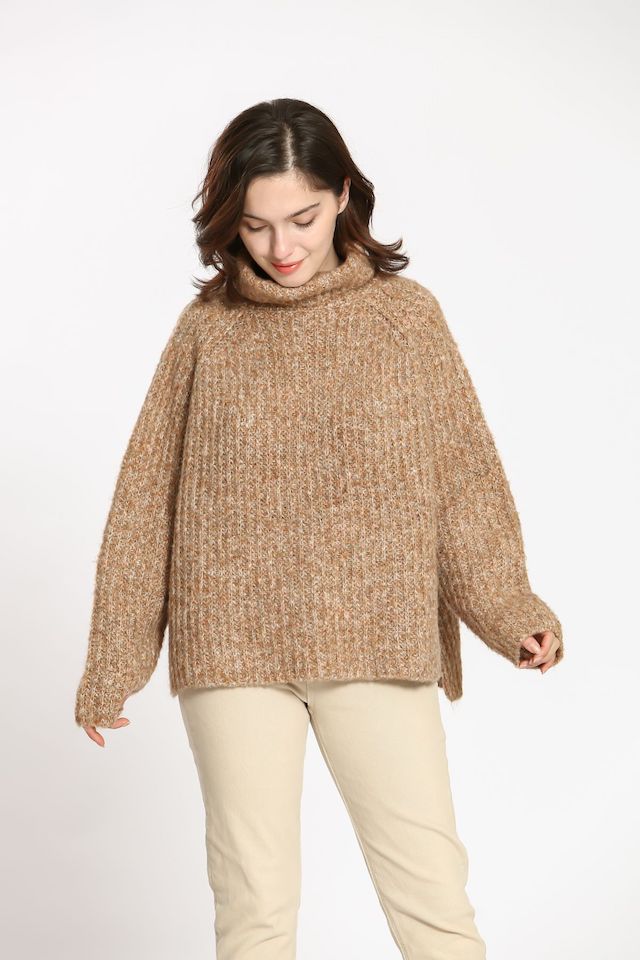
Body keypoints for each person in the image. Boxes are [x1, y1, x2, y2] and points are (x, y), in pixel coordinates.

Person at [74, 98, 563, 959]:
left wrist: (507, 609)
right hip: (231, 647)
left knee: (431, 900)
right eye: (255, 225)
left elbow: (461, 479)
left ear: (342, 195)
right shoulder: (206, 332)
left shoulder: (405, 318)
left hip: (376, 634)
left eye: (301, 218)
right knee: (253, 908)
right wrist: (116, 658)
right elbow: (146, 500)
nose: (282, 247)